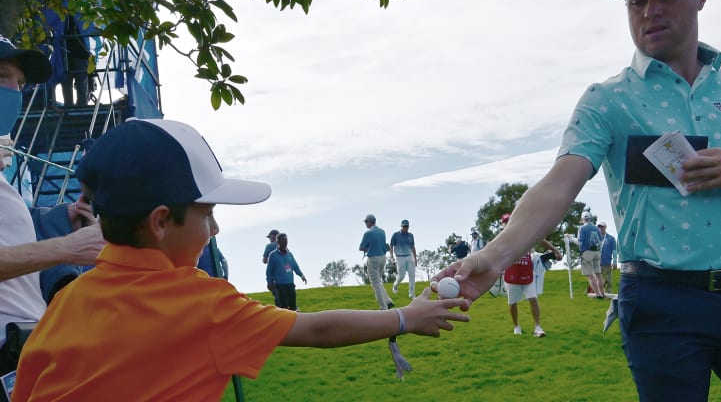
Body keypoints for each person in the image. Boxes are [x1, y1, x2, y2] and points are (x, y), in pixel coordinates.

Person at [433, 0, 721, 401]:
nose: (649, 10)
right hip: (663, 305)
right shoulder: (608, 99)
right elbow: (561, 183)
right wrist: (495, 256)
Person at [12, 118, 468, 401]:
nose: (215, 229)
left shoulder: (65, 305)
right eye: (207, 212)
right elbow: (316, 328)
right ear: (161, 222)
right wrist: (406, 318)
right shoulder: (199, 303)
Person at [0, 35, 105, 374]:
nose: (14, 93)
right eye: (2, 77)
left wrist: (60, 217)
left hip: (21, 357)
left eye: (20, 84)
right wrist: (67, 248)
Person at [504, 234, 562, 337]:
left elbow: (540, 240)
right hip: (512, 275)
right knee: (512, 303)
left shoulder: (528, 234)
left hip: (527, 273)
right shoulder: (506, 237)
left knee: (533, 299)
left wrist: (555, 250)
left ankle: (537, 327)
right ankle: (516, 326)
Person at [359, 214, 393, 310]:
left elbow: (361, 247)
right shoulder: (382, 232)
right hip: (383, 258)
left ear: (370, 222)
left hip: (373, 258)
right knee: (378, 281)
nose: (365, 224)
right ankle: (388, 301)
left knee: (375, 283)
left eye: (366, 222)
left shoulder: (368, 233)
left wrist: (367, 248)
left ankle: (383, 306)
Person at [266, 232, 306, 311]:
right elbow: (269, 271)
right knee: (283, 308)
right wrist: (269, 282)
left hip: (290, 285)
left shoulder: (289, 254)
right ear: (278, 242)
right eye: (283, 239)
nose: (285, 241)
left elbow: (295, 266)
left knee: (293, 307)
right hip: (279, 286)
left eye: (286, 239)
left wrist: (301, 275)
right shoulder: (273, 255)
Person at [577, 212, 605, 298]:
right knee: (598, 274)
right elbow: (601, 241)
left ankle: (598, 295)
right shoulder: (596, 228)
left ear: (582, 219)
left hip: (587, 253)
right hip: (597, 252)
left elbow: (579, 242)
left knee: (590, 275)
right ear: (590, 218)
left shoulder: (582, 228)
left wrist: (570, 239)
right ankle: (603, 294)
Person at [390, 219, 417, 300]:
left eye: (407, 226)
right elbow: (391, 246)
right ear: (401, 226)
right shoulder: (395, 235)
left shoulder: (411, 235)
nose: (405, 228)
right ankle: (395, 285)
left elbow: (413, 247)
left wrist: (415, 259)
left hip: (409, 256)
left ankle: (411, 293)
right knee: (401, 276)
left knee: (412, 275)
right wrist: (392, 257)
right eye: (404, 226)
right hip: (399, 257)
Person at [597, 221, 618, 293]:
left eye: (602, 227)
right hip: (597, 263)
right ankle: (599, 293)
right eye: (599, 227)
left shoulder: (611, 238)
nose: (600, 228)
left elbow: (614, 251)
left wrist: (615, 262)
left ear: (605, 227)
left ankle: (609, 294)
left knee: (608, 280)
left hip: (607, 262)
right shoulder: (596, 238)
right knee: (599, 279)